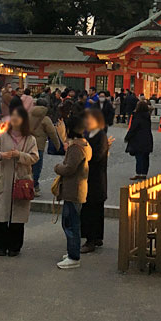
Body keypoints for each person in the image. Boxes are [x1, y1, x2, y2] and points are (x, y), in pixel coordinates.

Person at [0, 106, 39, 256]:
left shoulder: (30, 139)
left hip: (21, 180)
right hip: (3, 179)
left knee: (18, 215)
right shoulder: (3, 137)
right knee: (1, 215)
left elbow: (34, 157)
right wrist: (1, 155)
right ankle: (0, 246)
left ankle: (15, 247)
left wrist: (20, 155)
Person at [53, 113, 91, 269]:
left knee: (70, 224)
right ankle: (72, 252)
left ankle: (74, 256)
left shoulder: (76, 148)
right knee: (72, 222)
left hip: (73, 189)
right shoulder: (85, 144)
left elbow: (69, 168)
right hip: (78, 188)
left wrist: (57, 168)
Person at [81, 108, 109, 253]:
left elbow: (97, 156)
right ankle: (96, 237)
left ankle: (91, 240)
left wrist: (84, 155)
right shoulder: (89, 134)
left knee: (92, 209)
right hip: (91, 177)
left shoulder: (99, 135)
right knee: (93, 209)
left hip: (95, 178)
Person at [29, 98, 63, 196]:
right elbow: (52, 133)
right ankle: (33, 187)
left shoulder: (27, 115)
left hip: (26, 145)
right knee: (36, 168)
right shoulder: (45, 119)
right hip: (38, 146)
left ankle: (27, 186)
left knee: (26, 167)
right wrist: (58, 146)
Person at [124, 100, 153, 180]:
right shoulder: (147, 116)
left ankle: (139, 172)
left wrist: (127, 137)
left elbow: (133, 128)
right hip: (147, 138)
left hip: (138, 139)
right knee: (145, 157)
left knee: (139, 156)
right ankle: (144, 173)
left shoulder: (137, 116)